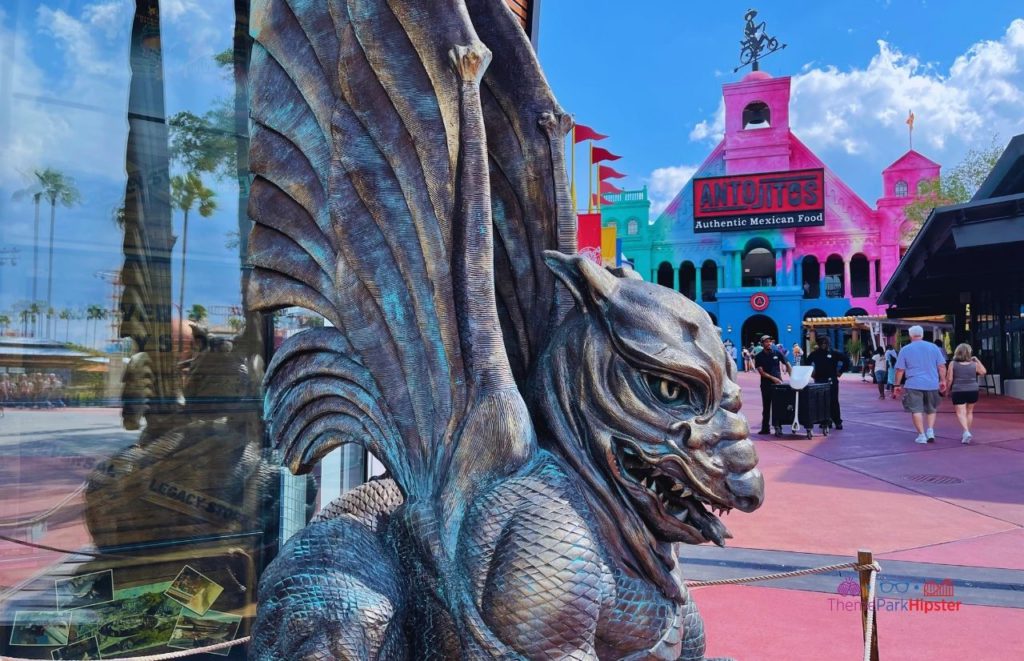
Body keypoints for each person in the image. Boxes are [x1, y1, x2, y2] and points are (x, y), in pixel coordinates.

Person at [894, 325, 948, 444]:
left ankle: (921, 435)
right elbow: (942, 366)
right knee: (931, 408)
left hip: (914, 383)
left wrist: (896, 385)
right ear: (922, 334)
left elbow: (900, 370)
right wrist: (943, 380)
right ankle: (930, 430)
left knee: (916, 409)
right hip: (932, 383)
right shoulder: (934, 347)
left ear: (910, 335)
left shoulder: (905, 349)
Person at [803, 336, 848, 430]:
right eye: (822, 343)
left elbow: (846, 360)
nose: (824, 344)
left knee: (833, 401)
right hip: (819, 380)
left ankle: (837, 421)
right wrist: (811, 373)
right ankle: (825, 421)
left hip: (831, 380)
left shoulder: (834, 353)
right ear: (819, 344)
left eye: (826, 343)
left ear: (828, 343)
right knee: (821, 401)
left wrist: (840, 371)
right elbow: (806, 362)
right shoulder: (815, 354)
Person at [945, 343, 986, 444]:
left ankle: (966, 432)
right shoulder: (974, 364)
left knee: (960, 412)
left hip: (958, 390)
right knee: (969, 412)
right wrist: (977, 360)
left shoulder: (953, 364)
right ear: (969, 353)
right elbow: (983, 372)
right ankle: (966, 432)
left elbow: (949, 379)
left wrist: (946, 391)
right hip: (973, 390)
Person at [754, 334, 790, 434]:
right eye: (766, 341)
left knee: (779, 406)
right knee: (766, 407)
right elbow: (761, 372)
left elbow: (787, 363)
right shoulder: (759, 356)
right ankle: (765, 428)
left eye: (770, 341)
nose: (769, 343)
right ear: (762, 344)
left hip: (778, 385)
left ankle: (779, 427)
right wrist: (773, 378)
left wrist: (792, 376)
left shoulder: (777, 353)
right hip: (766, 385)